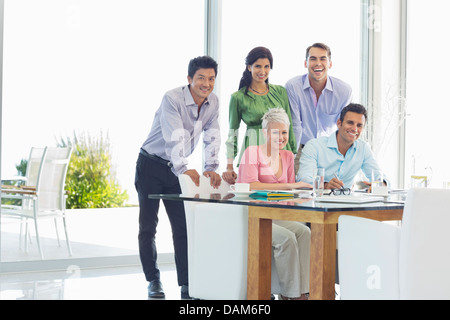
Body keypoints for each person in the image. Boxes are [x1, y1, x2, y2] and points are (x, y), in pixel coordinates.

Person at [135, 56, 222, 299]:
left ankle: (187, 284)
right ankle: (153, 280)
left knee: (183, 227)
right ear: (189, 79)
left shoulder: (213, 102)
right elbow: (175, 136)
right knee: (148, 227)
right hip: (151, 164)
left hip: (175, 169)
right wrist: (184, 168)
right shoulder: (172, 99)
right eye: (201, 78)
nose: (206, 83)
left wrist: (211, 167)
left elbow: (212, 135)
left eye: (211, 78)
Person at [237, 108, 311, 300]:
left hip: (276, 215)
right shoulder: (252, 152)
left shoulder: (287, 156)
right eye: (275, 132)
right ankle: (290, 294)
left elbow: (287, 194)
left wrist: (298, 195)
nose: (281, 137)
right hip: (251, 215)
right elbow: (251, 186)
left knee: (305, 232)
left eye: (284, 132)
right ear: (265, 133)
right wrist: (291, 185)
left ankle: (303, 291)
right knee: (286, 238)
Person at [222, 47, 296, 185]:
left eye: (266, 67)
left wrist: (292, 154)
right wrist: (229, 165)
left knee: (283, 194)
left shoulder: (280, 92)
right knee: (257, 193)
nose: (262, 71)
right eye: (258, 66)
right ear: (249, 67)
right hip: (253, 147)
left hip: (280, 148)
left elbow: (289, 125)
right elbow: (233, 132)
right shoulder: (238, 98)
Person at [285, 43, 353, 174]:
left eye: (323, 59)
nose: (318, 63)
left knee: (330, 190)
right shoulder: (293, 86)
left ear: (330, 64)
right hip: (300, 149)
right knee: (301, 190)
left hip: (328, 150)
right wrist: (290, 159)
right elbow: (295, 125)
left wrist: (344, 159)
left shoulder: (344, 91)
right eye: (313, 59)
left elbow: (344, 127)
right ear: (305, 63)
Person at [298, 103, 388, 190]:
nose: (354, 129)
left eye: (359, 125)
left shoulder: (363, 148)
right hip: (317, 203)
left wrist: (380, 185)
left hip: (348, 203)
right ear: (339, 123)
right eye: (350, 123)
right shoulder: (314, 146)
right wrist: (325, 185)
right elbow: (303, 180)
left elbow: (380, 176)